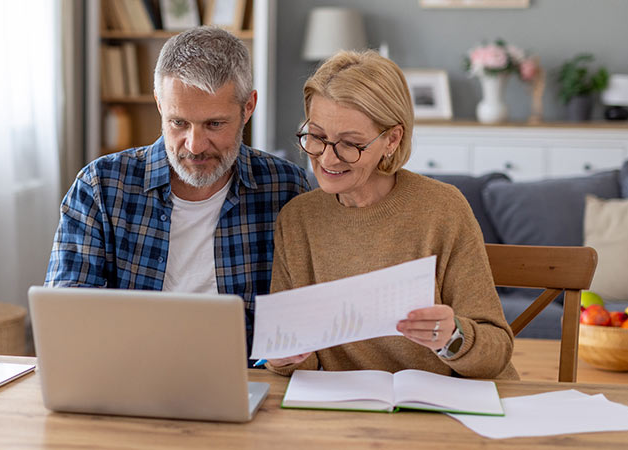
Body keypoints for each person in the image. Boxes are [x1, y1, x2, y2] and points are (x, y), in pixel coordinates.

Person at [45, 27, 310, 359]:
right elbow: (67, 316)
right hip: (128, 375)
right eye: (178, 123)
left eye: (215, 124)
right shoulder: (100, 187)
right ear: (159, 105)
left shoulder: (286, 188)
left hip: (248, 380)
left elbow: (303, 312)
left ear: (248, 107)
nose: (195, 146)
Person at [265, 50, 518, 380]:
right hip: (346, 411)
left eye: (349, 143)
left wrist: (452, 338)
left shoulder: (442, 209)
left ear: (391, 139)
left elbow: (495, 350)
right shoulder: (297, 219)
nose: (328, 158)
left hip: (441, 409)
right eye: (317, 137)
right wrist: (287, 356)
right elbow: (298, 362)